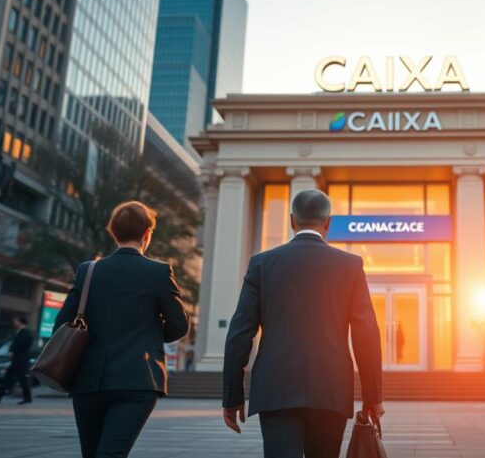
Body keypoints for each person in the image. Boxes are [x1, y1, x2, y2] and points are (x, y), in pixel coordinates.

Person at [223, 189, 384, 458]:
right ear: (328, 223)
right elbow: (366, 334)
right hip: (330, 388)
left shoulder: (262, 264)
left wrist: (232, 395)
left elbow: (240, 332)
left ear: (291, 220)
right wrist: (372, 397)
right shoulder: (350, 266)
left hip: (276, 387)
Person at [54, 201, 189, 458]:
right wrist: (148, 336)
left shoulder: (88, 271)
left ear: (113, 233)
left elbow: (62, 324)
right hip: (137, 380)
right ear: (147, 234)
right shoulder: (159, 272)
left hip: (88, 381)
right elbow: (179, 325)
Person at [0, 316, 34, 404]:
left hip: (21, 360)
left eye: (16, 321)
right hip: (18, 360)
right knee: (10, 377)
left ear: (21, 322)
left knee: (20, 379)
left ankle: (27, 398)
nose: (15, 323)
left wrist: (13, 350)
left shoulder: (26, 333)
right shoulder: (21, 332)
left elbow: (20, 344)